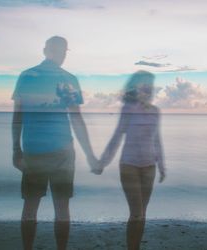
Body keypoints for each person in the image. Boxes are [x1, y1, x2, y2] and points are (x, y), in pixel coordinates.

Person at [11, 36, 98, 250]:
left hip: (34, 150)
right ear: (61, 53)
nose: (61, 55)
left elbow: (17, 117)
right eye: (62, 51)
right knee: (61, 208)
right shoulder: (68, 78)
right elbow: (76, 119)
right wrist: (89, 154)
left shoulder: (27, 76)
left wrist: (16, 149)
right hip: (62, 151)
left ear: (45, 51)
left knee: (31, 206)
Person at [94, 70, 166, 250]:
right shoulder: (127, 110)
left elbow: (157, 139)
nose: (148, 90)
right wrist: (103, 162)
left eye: (151, 87)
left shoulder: (156, 112)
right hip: (129, 166)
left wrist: (162, 166)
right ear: (136, 88)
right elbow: (117, 137)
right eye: (144, 86)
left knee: (142, 214)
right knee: (136, 213)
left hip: (150, 167)